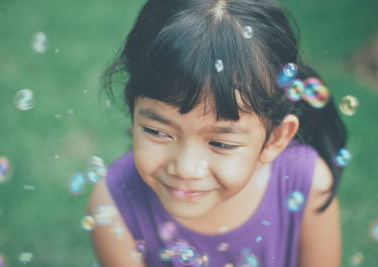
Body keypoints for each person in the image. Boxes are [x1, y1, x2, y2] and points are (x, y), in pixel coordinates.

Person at [88, 0, 347, 266]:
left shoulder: (308, 183)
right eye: (157, 131)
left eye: (221, 143)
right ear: (133, 112)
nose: (186, 169)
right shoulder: (113, 206)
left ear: (275, 139)